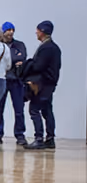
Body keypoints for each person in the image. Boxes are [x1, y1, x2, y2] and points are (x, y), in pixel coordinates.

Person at [23, 20, 61, 150]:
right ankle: (50, 138)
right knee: (47, 111)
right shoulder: (54, 48)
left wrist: (27, 65)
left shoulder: (46, 48)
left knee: (34, 110)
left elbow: (39, 66)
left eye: (38, 30)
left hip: (42, 85)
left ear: (42, 32)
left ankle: (38, 138)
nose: (36, 32)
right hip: (49, 84)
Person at [0, 22, 29, 147]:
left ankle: (20, 134)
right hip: (2, 79)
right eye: (8, 30)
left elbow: (21, 57)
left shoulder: (19, 45)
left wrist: (12, 60)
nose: (11, 32)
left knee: (18, 109)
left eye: (12, 30)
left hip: (16, 80)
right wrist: (14, 60)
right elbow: (10, 59)